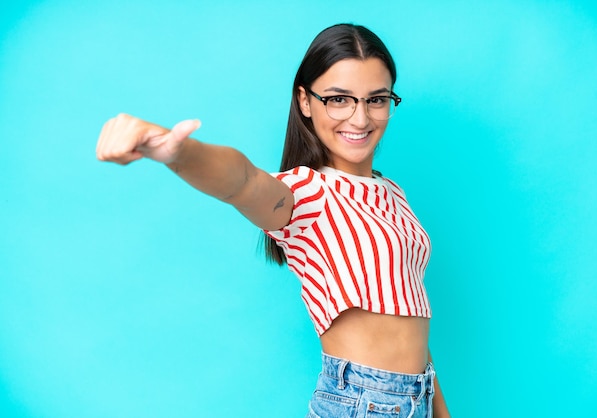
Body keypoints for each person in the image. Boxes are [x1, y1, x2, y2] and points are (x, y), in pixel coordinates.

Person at [96, 23, 451, 418]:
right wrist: (176, 152)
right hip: (361, 404)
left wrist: (437, 407)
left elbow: (407, 310)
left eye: (376, 99)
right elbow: (243, 181)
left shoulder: (392, 193)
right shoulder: (308, 192)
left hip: (416, 397)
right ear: (304, 100)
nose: (360, 117)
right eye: (338, 99)